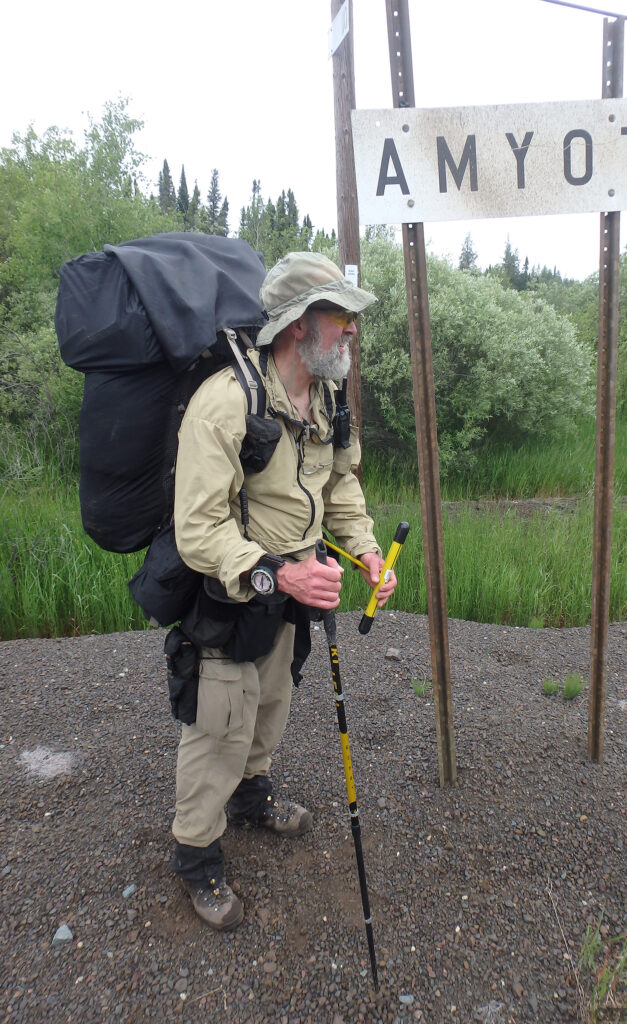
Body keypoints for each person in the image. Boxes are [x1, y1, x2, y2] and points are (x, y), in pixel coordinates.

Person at [169, 251, 397, 930]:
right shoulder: (226, 402)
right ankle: (196, 854)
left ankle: (251, 796)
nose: (352, 330)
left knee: (272, 699)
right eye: (341, 316)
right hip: (231, 589)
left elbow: (340, 485)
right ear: (300, 324)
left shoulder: (327, 399)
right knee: (221, 721)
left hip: (295, 589)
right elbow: (197, 529)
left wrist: (361, 552)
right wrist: (279, 571)